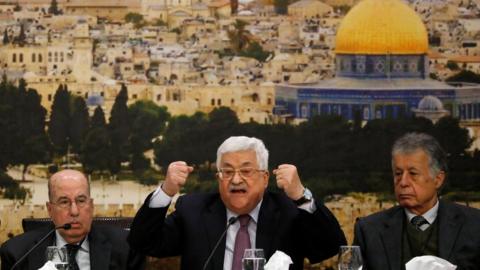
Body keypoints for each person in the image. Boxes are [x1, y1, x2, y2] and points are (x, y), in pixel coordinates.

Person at [128, 136, 346, 270]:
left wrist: (300, 194)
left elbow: (329, 247)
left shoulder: (288, 212)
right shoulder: (195, 211)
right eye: (228, 171)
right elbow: (143, 242)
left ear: (265, 177)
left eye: (246, 171)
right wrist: (166, 191)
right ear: (218, 179)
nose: (236, 179)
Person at [353, 132, 480, 270]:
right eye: (398, 173)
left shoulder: (474, 226)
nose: (403, 182)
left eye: (413, 174)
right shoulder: (369, 230)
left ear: (438, 179)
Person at [0, 169, 145, 270]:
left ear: (91, 205)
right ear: (50, 210)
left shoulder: (127, 247)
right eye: (64, 202)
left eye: (81, 201)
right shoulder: (17, 253)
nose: (74, 211)